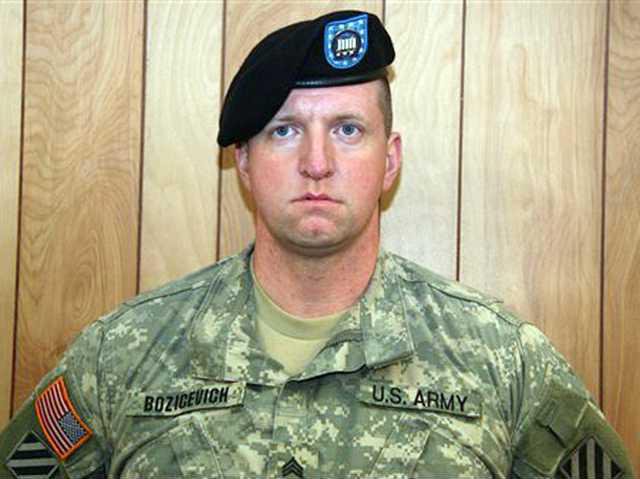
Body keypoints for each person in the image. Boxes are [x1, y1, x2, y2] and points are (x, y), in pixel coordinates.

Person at [0, 10, 634, 479]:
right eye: (284, 131)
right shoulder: (123, 355)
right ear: (243, 162)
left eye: (348, 129)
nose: (317, 162)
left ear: (390, 161)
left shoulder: (501, 361)